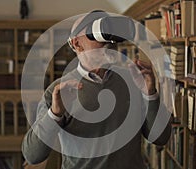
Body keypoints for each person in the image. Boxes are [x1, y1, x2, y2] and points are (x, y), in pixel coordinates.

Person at [22, 10, 172, 169]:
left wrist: (150, 94)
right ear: (76, 44)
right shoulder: (58, 92)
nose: (109, 40)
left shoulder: (134, 80)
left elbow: (160, 138)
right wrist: (55, 113)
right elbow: (32, 155)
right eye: (99, 33)